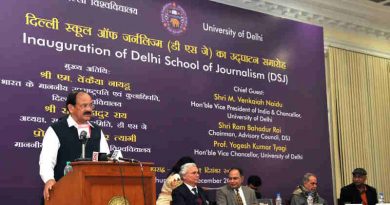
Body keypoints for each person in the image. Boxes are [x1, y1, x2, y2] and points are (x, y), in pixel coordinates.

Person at [39, 91, 110, 201]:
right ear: (71, 108)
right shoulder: (56, 129)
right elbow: (47, 160)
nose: (89, 109)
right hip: (63, 194)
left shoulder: (97, 131)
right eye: (84, 106)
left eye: (91, 105)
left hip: (93, 194)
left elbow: (106, 159)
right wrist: (49, 179)